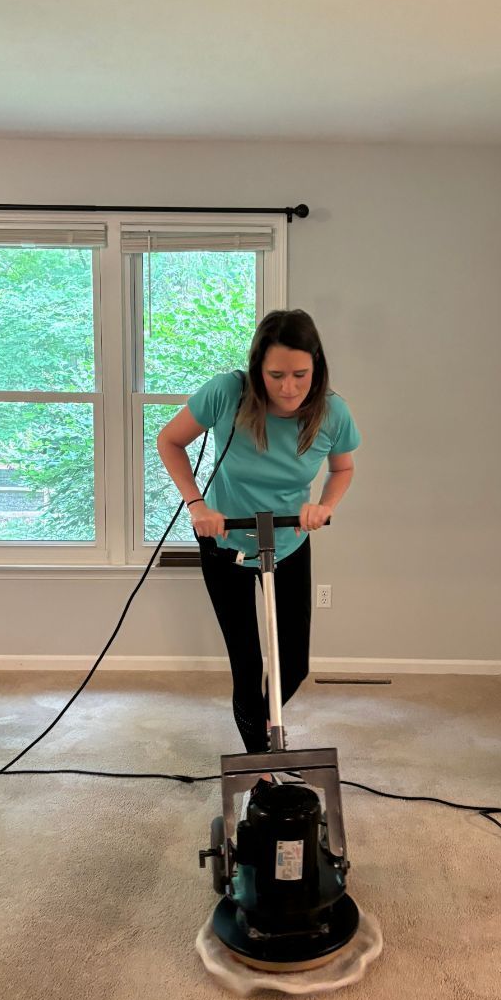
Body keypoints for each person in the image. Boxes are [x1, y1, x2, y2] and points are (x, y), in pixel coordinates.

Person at [156, 308, 360, 757]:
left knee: (294, 665)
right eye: (276, 375)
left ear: (317, 368)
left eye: (300, 375)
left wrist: (323, 506)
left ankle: (266, 731)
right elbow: (169, 441)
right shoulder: (227, 394)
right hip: (224, 541)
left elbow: (342, 468)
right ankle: (260, 767)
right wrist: (197, 505)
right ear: (257, 369)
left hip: (288, 542)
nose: (289, 388)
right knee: (247, 664)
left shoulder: (331, 412)